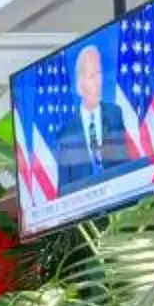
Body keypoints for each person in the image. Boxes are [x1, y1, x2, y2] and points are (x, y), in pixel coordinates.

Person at [51, 43, 128, 193]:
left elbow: (124, 164)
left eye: (99, 73)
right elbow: (64, 188)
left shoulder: (114, 114)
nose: (98, 82)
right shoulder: (67, 132)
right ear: (80, 84)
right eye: (92, 76)